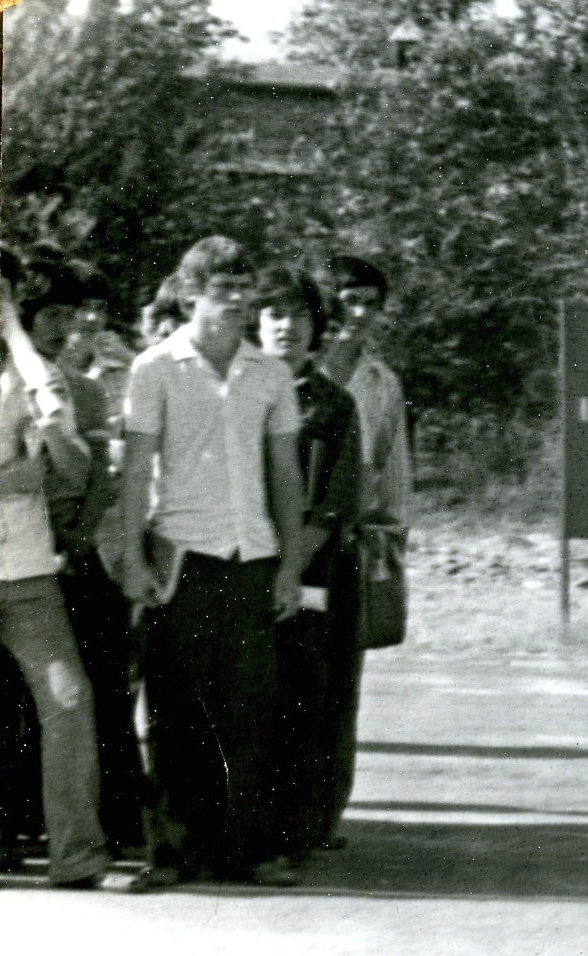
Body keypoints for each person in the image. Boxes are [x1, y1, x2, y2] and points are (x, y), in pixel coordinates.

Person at [109, 240, 309, 889]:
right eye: (223, 284)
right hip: (182, 559)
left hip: (252, 557)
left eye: (243, 283)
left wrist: (288, 566)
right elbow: (137, 471)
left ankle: (247, 851)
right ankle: (171, 855)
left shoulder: (271, 374)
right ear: (190, 291)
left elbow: (284, 473)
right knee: (174, 713)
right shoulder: (154, 368)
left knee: (252, 712)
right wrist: (135, 559)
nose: (237, 295)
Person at [0, 270, 114, 889]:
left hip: (28, 576)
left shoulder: (34, 375)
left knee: (70, 701)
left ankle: (76, 858)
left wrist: (50, 447)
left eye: (2, 294)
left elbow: (72, 469)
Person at [256, 270, 369, 857]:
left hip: (312, 572)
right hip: (242, 566)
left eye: (299, 316)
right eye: (274, 314)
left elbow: (337, 504)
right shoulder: (240, 393)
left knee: (310, 700)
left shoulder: (332, 403)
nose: (287, 327)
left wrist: (287, 565)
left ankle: (302, 828)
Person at [317, 255, 410, 843]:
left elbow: (394, 465)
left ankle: (326, 812)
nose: (359, 314)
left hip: (351, 543)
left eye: (370, 303)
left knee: (339, 684)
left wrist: (393, 535)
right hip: (293, 543)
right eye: (348, 299)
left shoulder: (382, 383)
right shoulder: (287, 372)